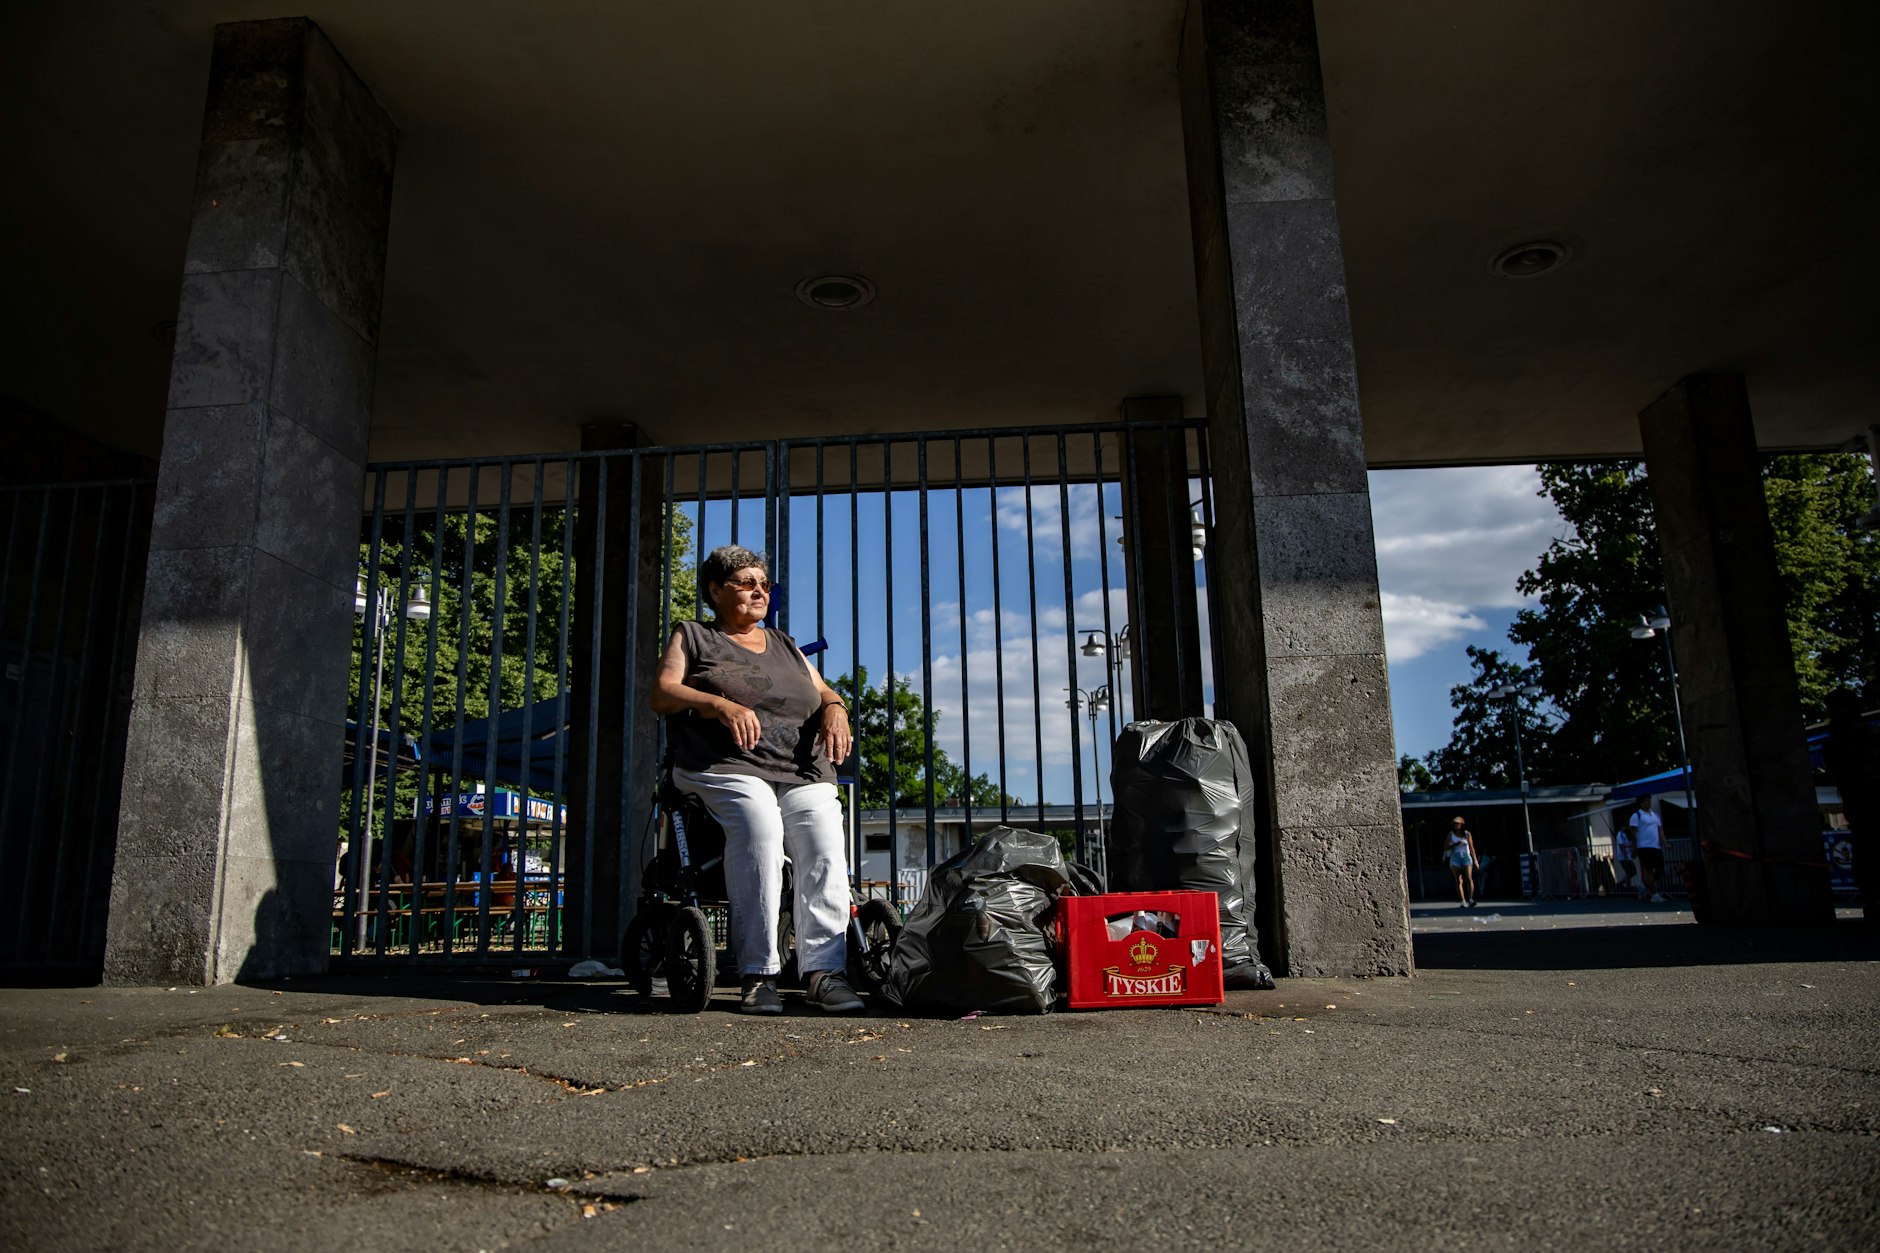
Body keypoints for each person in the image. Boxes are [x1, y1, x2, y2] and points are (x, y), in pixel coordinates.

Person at [649, 544, 862, 1015]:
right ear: (715, 590)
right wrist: (718, 704)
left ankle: (824, 972)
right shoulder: (694, 636)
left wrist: (836, 708)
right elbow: (663, 693)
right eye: (746, 583)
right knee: (761, 830)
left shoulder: (784, 643)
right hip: (725, 765)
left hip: (799, 768)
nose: (759, 591)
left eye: (765, 585)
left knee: (824, 844)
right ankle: (759, 973)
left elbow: (824, 689)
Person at [1628, 797, 1666, 903]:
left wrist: (1665, 843)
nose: (1648, 803)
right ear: (1641, 803)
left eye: (1649, 801)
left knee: (1660, 869)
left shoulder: (1655, 815)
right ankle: (1654, 894)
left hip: (1655, 846)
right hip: (1643, 847)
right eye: (1646, 801)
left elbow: (1660, 830)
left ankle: (1645, 884)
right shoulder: (1636, 816)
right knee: (1648, 870)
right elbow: (1633, 832)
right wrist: (1634, 848)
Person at [1443, 816, 1479, 909]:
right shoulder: (1451, 834)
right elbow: (1446, 847)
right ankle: (1462, 900)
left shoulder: (1467, 834)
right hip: (1455, 856)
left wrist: (1475, 861)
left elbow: (1471, 848)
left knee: (1468, 877)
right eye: (1455, 823)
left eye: (1458, 823)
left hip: (1466, 855)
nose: (1456, 825)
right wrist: (1455, 844)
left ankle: (1470, 898)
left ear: (1461, 824)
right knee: (1458, 880)